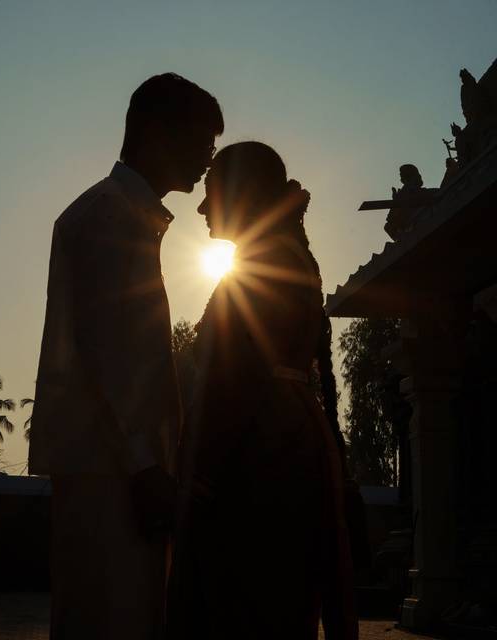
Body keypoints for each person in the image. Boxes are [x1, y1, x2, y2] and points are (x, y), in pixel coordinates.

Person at [28, 73, 223, 639]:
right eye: (202, 144)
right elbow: (107, 358)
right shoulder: (110, 218)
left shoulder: (120, 215)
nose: (207, 162)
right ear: (160, 133)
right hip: (113, 471)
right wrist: (144, 467)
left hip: (115, 467)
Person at [168, 141, 358, 640]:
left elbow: (233, 382)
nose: (203, 208)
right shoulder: (289, 258)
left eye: (212, 194)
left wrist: (200, 480)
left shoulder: (263, 267)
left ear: (241, 196)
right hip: (287, 444)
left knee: (247, 607)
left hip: (257, 459)